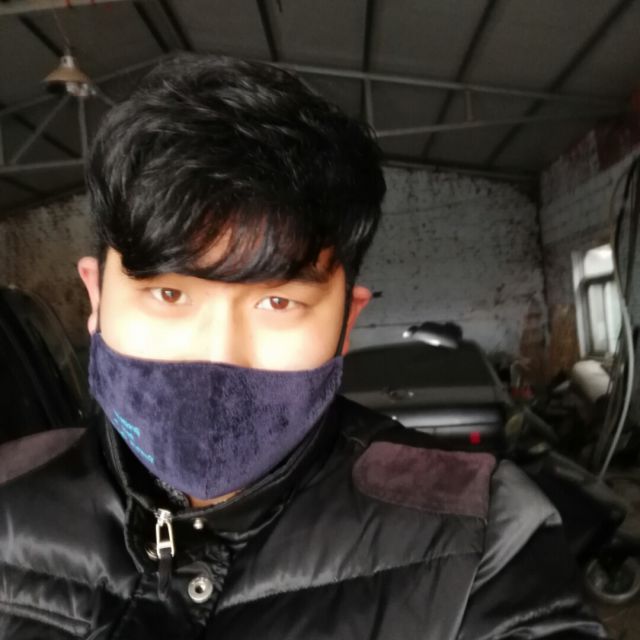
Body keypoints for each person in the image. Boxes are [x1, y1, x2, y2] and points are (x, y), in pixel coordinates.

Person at [0, 55, 608, 640]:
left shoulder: (478, 532)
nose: (219, 355)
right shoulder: (9, 499)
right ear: (96, 298)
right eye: (167, 293)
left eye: (277, 302)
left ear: (346, 321)